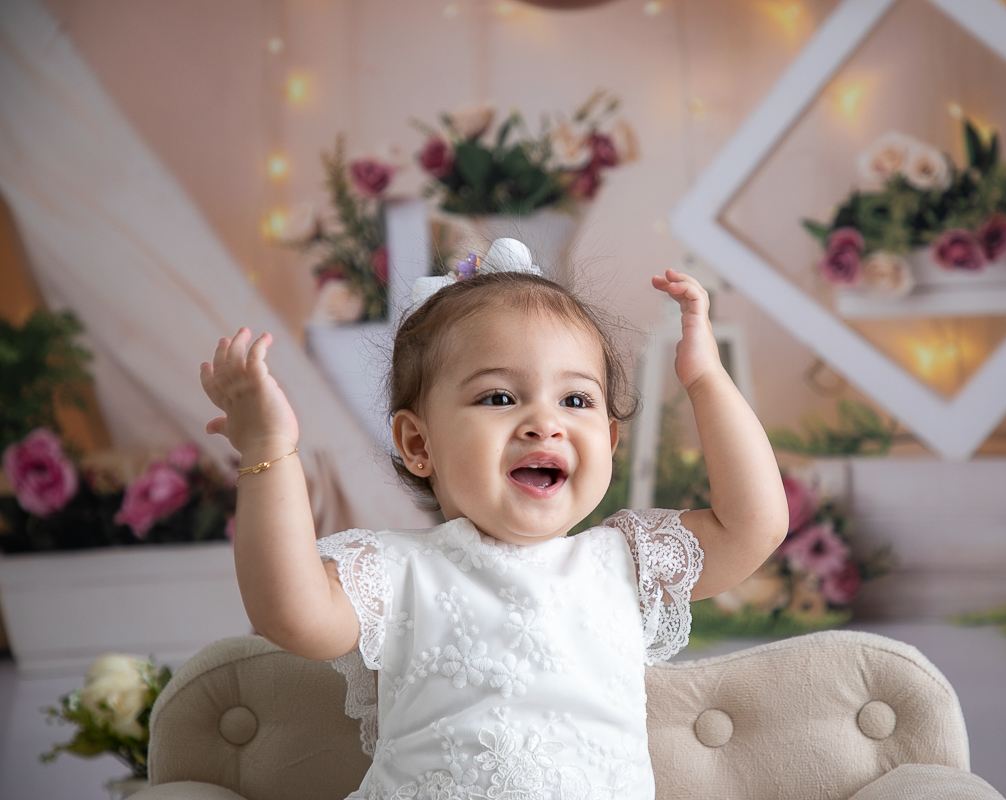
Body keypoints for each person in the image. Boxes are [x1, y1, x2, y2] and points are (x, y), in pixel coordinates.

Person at [199, 239, 788, 799]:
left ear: (609, 442)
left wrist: (706, 379)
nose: (544, 423)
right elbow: (289, 612)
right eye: (500, 398)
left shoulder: (626, 563)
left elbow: (754, 523)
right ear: (418, 442)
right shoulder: (400, 570)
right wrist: (267, 451)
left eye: (575, 400)